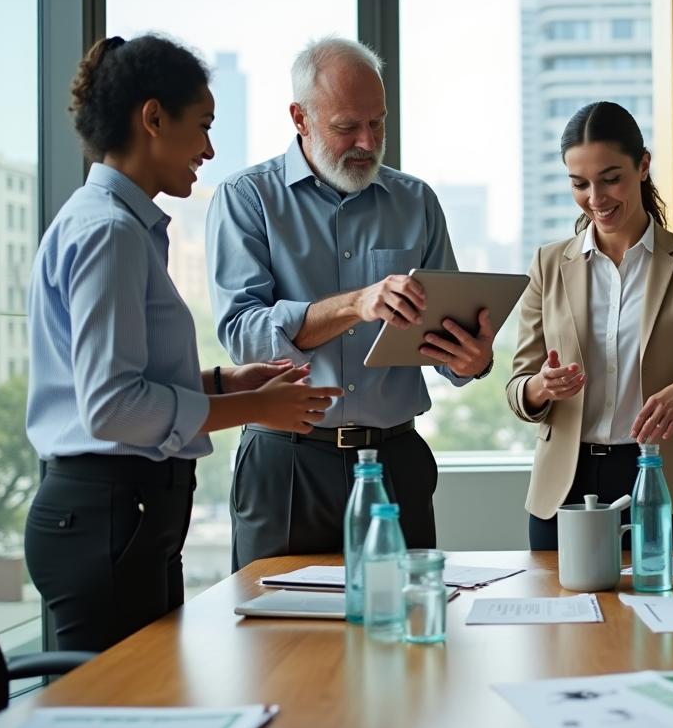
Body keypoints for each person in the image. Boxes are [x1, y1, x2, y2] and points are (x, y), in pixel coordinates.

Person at [24, 35, 342, 652]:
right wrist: (253, 410)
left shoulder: (119, 226)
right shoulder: (108, 233)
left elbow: (125, 381)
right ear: (152, 118)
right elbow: (112, 407)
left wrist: (226, 384)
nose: (209, 150)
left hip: (121, 517)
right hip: (109, 517)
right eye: (202, 126)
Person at [207, 36, 494, 571]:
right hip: (287, 463)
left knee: (405, 629)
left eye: (378, 123)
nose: (367, 141)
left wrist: (471, 362)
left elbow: (450, 338)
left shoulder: (417, 202)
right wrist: (356, 304)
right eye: (346, 127)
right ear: (300, 117)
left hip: (396, 461)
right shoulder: (246, 198)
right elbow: (243, 332)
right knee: (279, 642)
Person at [507, 101, 673, 551]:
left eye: (611, 178)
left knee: (666, 620)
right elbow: (518, 387)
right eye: (580, 184)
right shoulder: (548, 264)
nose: (596, 198)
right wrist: (542, 386)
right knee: (566, 622)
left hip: (661, 479)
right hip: (566, 489)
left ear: (643, 165)